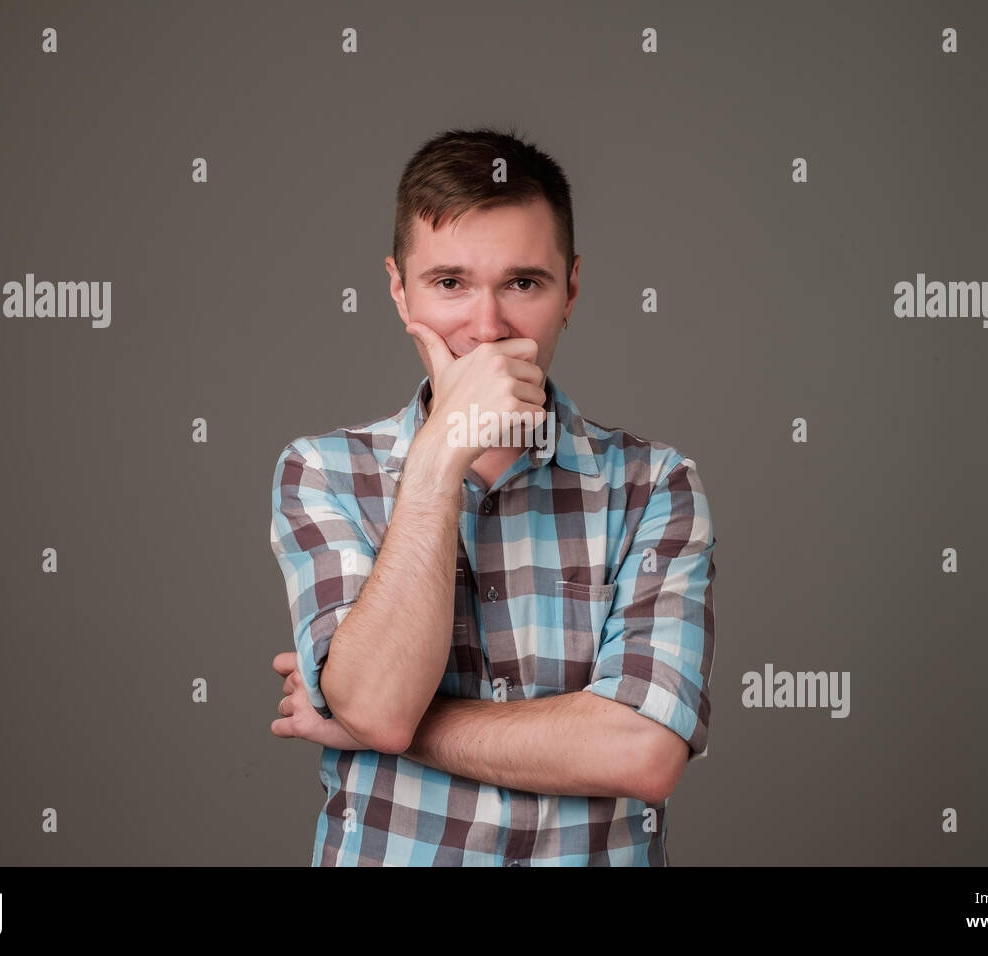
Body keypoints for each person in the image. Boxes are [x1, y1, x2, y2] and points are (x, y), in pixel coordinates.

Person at [269, 126, 715, 865]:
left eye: (523, 284)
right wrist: (441, 454)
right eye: (450, 283)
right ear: (397, 288)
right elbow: (379, 706)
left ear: (570, 290)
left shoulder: (653, 485)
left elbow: (642, 751)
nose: (486, 328)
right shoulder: (322, 471)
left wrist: (396, 723)